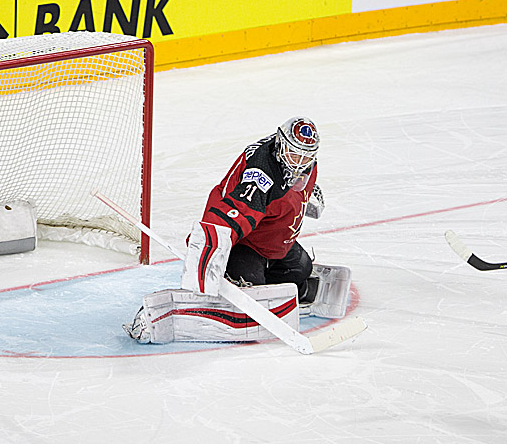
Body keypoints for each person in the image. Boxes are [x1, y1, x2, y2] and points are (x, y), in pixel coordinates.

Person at [123, 117, 352, 345]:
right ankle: (221, 289)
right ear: (281, 145)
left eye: (306, 156)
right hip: (244, 242)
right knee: (250, 287)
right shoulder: (260, 175)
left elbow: (293, 182)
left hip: (271, 237)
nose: (299, 162)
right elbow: (235, 211)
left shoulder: (304, 164)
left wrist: (305, 196)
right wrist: (210, 242)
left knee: (301, 269)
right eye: (295, 154)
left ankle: (260, 279)